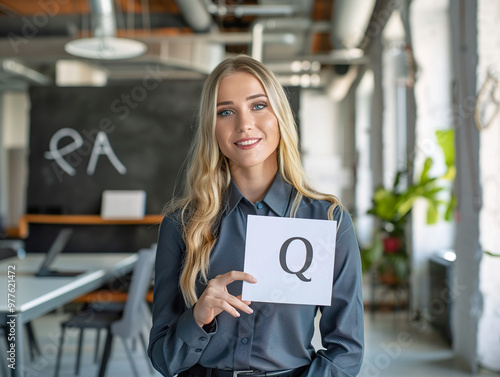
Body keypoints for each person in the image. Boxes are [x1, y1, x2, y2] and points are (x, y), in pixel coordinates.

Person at [148, 55, 364, 377]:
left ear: (279, 115)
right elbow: (164, 360)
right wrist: (197, 317)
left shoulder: (327, 222)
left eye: (258, 105)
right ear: (213, 127)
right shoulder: (181, 225)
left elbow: (346, 351)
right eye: (226, 112)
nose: (244, 124)